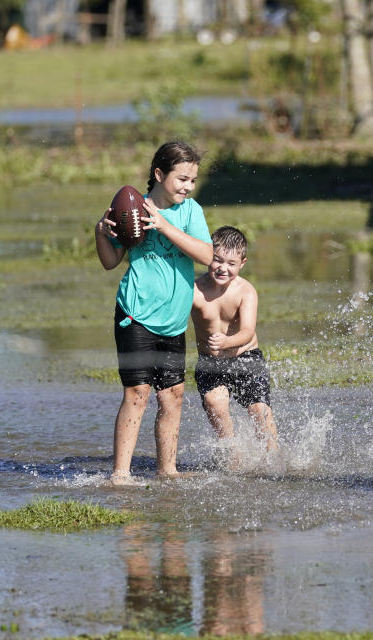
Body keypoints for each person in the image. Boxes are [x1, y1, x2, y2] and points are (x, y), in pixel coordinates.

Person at [95, 141, 213, 484]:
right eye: (182, 179)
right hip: (136, 314)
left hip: (173, 320)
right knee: (138, 393)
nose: (188, 187)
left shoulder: (191, 212)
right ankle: (120, 474)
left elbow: (206, 255)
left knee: (173, 396)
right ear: (159, 174)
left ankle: (168, 470)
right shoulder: (132, 209)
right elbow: (109, 261)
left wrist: (163, 226)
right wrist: (100, 233)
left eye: (193, 180)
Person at [191, 226, 279, 466]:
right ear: (207, 255)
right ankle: (233, 457)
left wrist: (227, 341)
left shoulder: (246, 291)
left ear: (242, 263)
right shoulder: (195, 290)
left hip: (246, 357)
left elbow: (248, 331)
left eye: (231, 263)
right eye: (217, 260)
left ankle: (273, 460)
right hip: (210, 361)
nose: (222, 267)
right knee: (214, 403)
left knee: (259, 411)